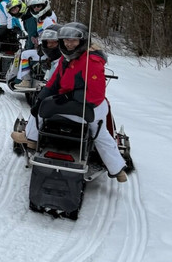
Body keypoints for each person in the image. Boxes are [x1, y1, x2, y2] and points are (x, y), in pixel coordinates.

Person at [12, 22, 128, 181]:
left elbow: (96, 94)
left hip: (89, 106)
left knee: (99, 133)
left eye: (73, 40)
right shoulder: (65, 58)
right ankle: (32, 139)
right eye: (66, 40)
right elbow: (54, 81)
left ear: (83, 41)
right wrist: (42, 97)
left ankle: (116, 169)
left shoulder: (91, 61)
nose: (69, 43)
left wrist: (69, 97)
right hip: (68, 102)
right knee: (40, 107)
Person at [12, 0, 58, 89]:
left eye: (39, 6)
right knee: (26, 53)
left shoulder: (48, 20)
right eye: (34, 7)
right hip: (44, 49)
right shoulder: (40, 19)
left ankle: (26, 80)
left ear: (45, 6)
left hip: (49, 52)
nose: (36, 8)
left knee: (25, 54)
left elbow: (52, 37)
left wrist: (44, 46)